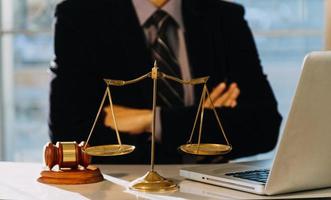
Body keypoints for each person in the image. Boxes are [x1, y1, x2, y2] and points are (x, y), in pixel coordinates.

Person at [48, 0, 282, 164]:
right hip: (118, 190)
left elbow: (264, 128)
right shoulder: (78, 18)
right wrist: (200, 121)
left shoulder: (225, 18)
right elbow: (69, 136)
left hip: (212, 187)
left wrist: (151, 121)